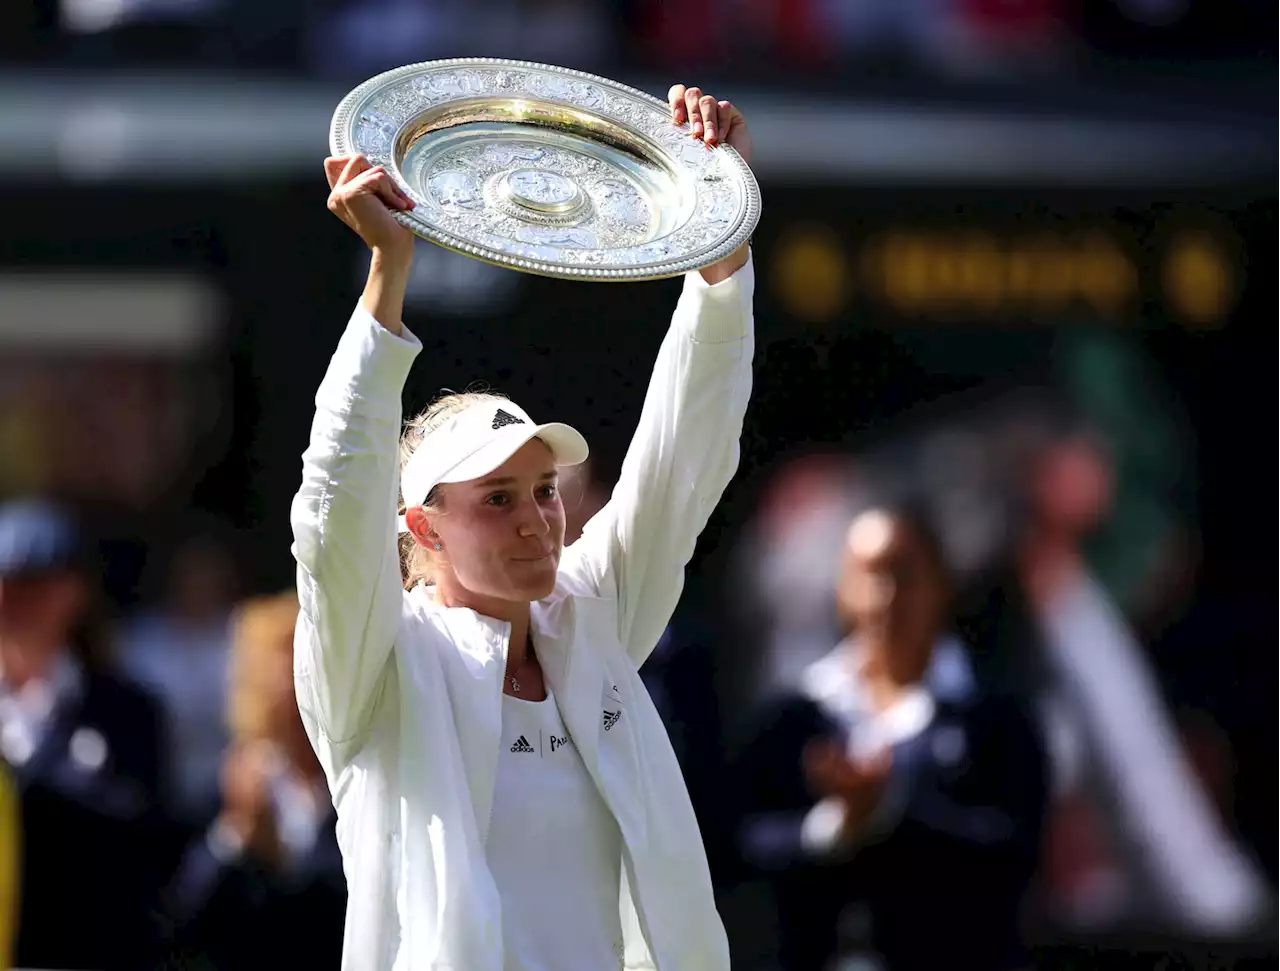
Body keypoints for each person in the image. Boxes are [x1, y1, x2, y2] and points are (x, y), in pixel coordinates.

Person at [292, 84, 755, 971]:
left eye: (543, 490)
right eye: (496, 499)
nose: (539, 522)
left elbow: (685, 456)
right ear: (423, 529)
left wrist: (719, 248)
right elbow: (332, 516)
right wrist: (387, 277)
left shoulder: (593, 620)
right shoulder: (377, 668)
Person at [734, 504, 1048, 971]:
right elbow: (741, 845)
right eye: (868, 575)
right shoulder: (792, 720)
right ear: (841, 588)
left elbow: (1011, 852)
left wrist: (888, 810)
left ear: (942, 586)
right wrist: (831, 828)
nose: (885, 598)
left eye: (904, 574)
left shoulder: (995, 719)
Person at [0, 498, 171, 970]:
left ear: (74, 592)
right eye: (8, 584)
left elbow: (145, 848)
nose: (14, 602)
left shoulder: (128, 713)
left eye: (35, 584)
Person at [159, 590, 345, 971]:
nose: (293, 702)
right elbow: (183, 918)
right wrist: (238, 833)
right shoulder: (238, 782)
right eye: (281, 684)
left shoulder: (358, 782)